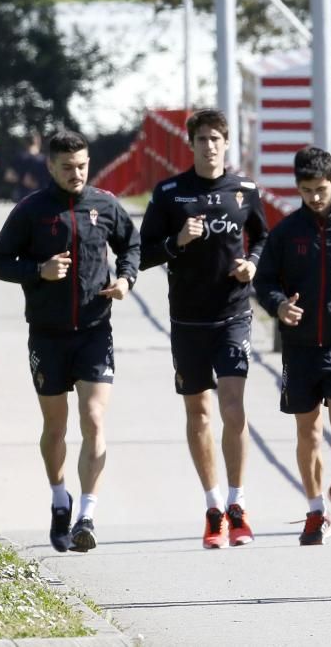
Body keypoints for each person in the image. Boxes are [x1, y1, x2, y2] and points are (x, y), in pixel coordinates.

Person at [0, 129, 141, 553]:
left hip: (94, 331)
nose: (76, 174)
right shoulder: (31, 210)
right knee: (56, 427)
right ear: (50, 167)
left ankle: (87, 514)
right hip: (48, 335)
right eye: (67, 167)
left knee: (93, 418)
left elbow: (132, 244)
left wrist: (126, 279)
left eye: (82, 166)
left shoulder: (104, 204)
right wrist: (39, 270)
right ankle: (59, 498)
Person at [139, 109, 269, 550]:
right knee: (198, 413)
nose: (209, 145)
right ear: (191, 144)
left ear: (226, 143)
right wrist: (178, 242)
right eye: (202, 139)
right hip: (188, 320)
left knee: (233, 407)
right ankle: (213, 507)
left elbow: (265, 238)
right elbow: (141, 254)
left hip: (233, 315)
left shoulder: (245, 190)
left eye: (217, 138)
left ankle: (238, 503)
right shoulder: (171, 194)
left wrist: (252, 264)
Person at [254, 146, 331, 545]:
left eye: (321, 189)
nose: (315, 197)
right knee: (308, 432)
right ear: (298, 188)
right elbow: (264, 281)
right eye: (306, 190)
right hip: (300, 347)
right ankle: (314, 510)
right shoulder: (287, 232)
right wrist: (278, 306)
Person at [4, 131, 51, 203]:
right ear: (38, 142)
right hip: (41, 197)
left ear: (25, 143)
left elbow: (8, 176)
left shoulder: (18, 158)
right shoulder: (44, 159)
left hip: (22, 197)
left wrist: (21, 179)